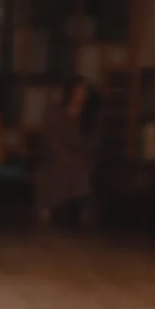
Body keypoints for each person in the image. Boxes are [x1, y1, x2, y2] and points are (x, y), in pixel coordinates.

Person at [35, 77, 99, 226]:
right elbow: (50, 136)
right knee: (51, 168)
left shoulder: (90, 117)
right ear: (69, 92)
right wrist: (61, 151)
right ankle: (48, 206)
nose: (80, 95)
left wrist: (80, 151)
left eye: (84, 92)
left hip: (80, 153)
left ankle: (81, 207)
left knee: (81, 166)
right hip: (56, 153)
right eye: (77, 91)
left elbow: (93, 141)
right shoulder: (54, 111)